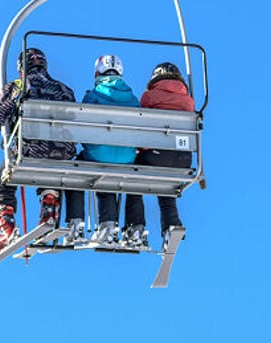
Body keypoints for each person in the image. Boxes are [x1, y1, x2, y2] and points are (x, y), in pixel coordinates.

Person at [0, 47, 76, 255]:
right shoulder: (64, 90)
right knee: (50, 169)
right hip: (61, 152)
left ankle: (6, 228)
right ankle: (49, 212)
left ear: (21, 67)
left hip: (29, 149)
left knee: (3, 183)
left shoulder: (20, 85)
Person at [63, 54, 141, 247]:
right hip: (127, 158)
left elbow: (81, 128)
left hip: (98, 155)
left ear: (97, 72)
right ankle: (109, 227)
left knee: (77, 169)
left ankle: (76, 224)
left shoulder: (93, 96)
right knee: (111, 173)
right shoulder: (133, 99)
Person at [122, 62, 195, 249]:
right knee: (166, 185)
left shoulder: (150, 97)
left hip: (156, 154)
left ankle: (135, 226)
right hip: (183, 159)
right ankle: (172, 224)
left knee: (133, 179)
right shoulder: (189, 101)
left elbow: (143, 123)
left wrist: (139, 148)